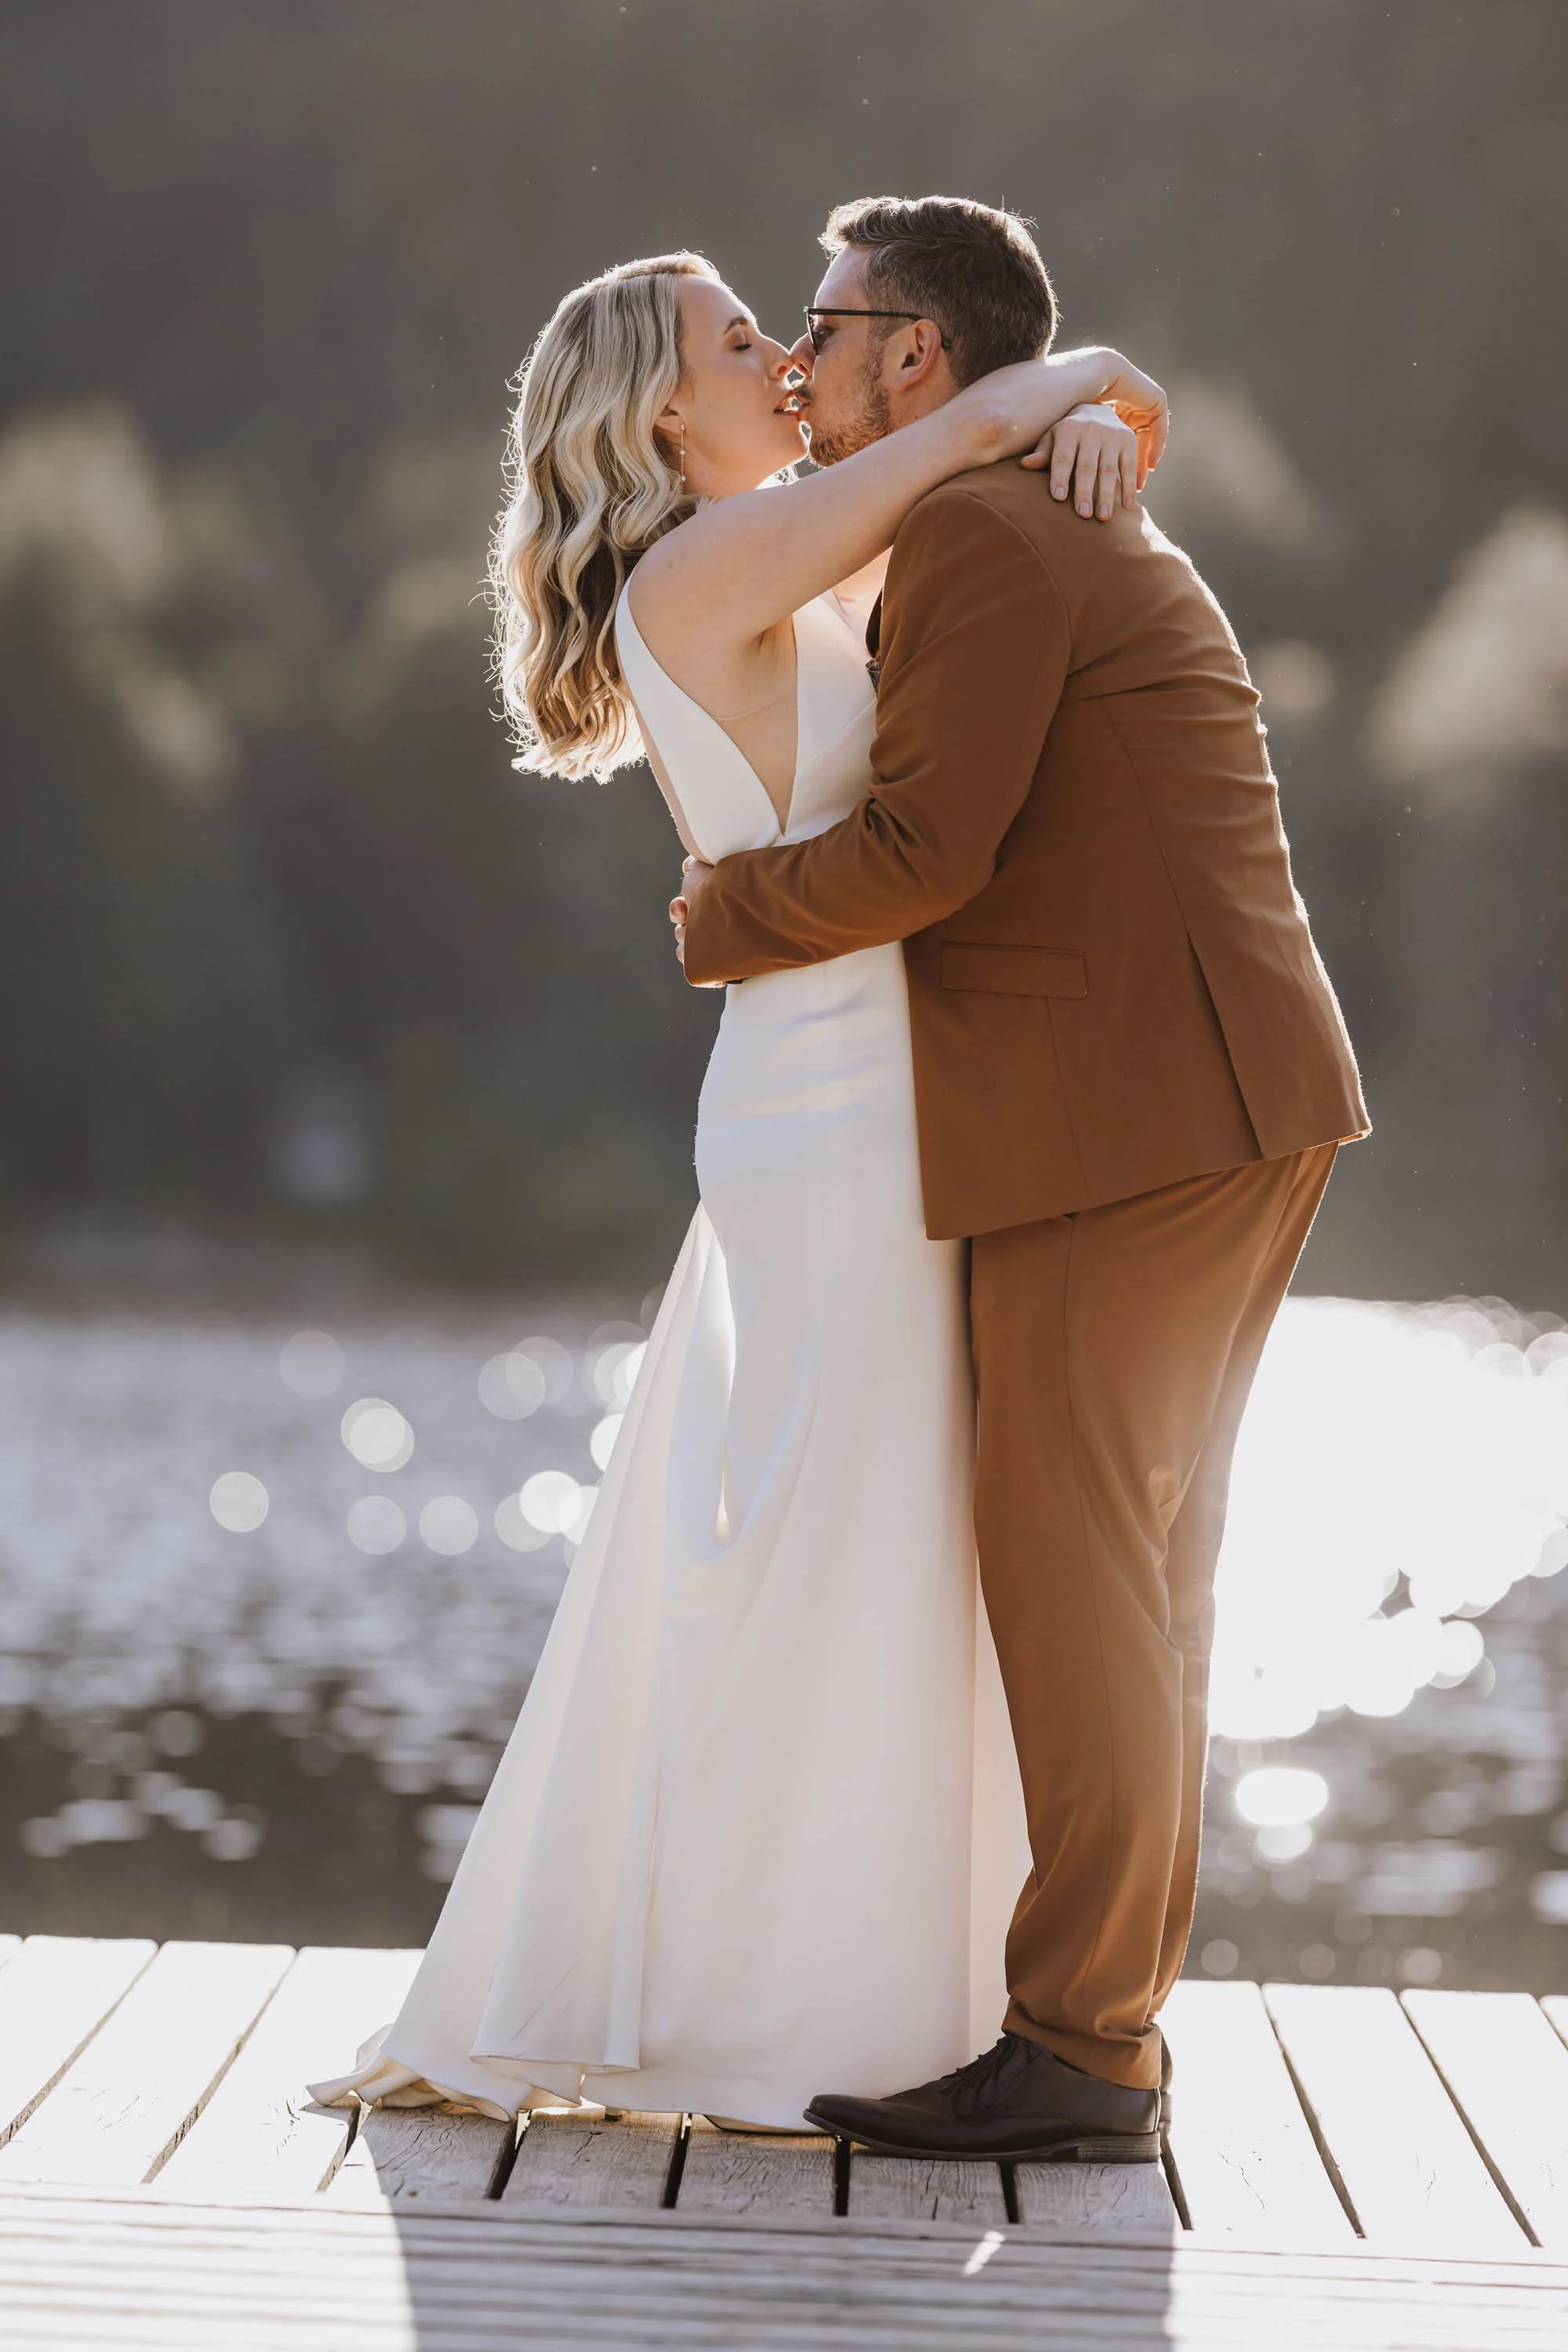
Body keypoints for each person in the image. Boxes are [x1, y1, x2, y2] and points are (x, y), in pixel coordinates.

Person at [312, 223, 1170, 2140]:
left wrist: (1102, 411)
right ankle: (793, 2009)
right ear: (661, 409)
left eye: (780, 323)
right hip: (838, 1105)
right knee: (832, 1539)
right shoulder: (712, 565)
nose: (784, 352)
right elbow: (972, 427)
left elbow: (985, 463)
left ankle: (863, 1982)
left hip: (859, 1083)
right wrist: (1087, 382)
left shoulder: (762, 550)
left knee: (850, 1537)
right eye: (735, 338)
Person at [674, 195, 1367, 2163]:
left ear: (915, 354)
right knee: (1133, 1586)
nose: (797, 363)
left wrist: (722, 911)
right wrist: (1094, 390)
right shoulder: (1007, 499)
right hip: (1194, 1089)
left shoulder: (980, 529)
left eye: (822, 327)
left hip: (1141, 1105)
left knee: (1081, 1581)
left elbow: (922, 851)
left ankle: (1082, 2047)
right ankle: (1102, 2035)